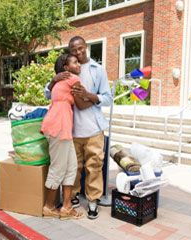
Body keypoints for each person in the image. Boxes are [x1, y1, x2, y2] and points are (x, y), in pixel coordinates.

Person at [44, 36, 113, 219]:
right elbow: (47, 93)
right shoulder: (67, 71)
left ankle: (93, 201)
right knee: (74, 168)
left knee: (94, 166)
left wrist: (89, 95)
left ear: (86, 47)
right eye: (74, 51)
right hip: (71, 129)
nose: (78, 53)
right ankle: (71, 199)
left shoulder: (97, 70)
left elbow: (107, 98)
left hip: (93, 129)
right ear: (69, 53)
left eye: (81, 49)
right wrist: (53, 79)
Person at [41, 54, 91, 220]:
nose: (79, 65)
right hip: (58, 127)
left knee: (71, 167)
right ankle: (48, 207)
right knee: (58, 168)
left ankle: (66, 207)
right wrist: (95, 98)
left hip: (63, 127)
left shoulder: (60, 81)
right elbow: (82, 103)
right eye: (75, 62)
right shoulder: (72, 78)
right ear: (66, 67)